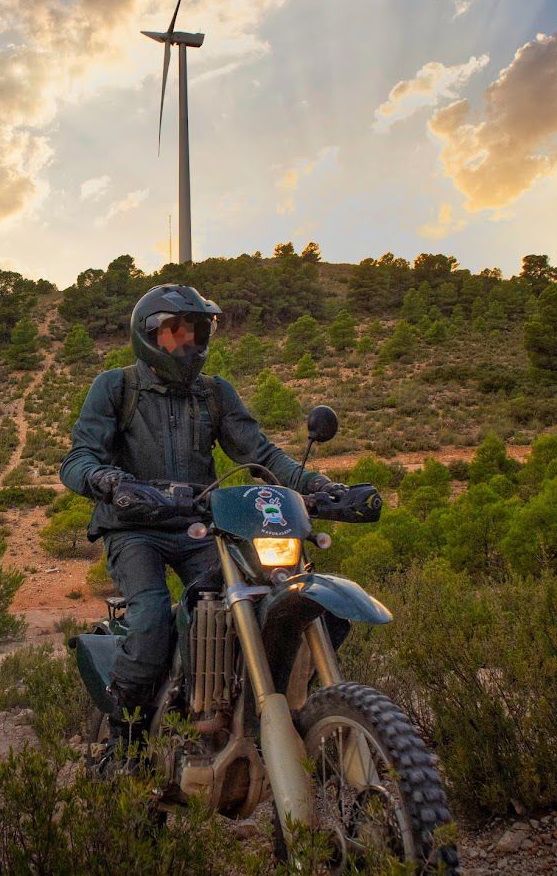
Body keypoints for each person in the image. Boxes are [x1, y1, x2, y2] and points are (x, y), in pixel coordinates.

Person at [59, 284, 345, 739]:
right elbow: (77, 459)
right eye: (177, 334)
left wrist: (319, 486)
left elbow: (262, 455)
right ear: (149, 335)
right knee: (151, 618)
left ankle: (231, 703)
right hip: (135, 529)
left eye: (197, 333)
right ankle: (124, 736)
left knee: (261, 595)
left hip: (202, 526)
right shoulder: (115, 387)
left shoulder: (214, 393)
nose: (189, 344)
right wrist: (110, 481)